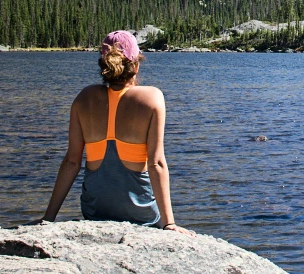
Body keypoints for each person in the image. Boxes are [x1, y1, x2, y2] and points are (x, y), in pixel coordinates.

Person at [35, 30, 193, 235]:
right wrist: (169, 224)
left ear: (104, 65)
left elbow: (71, 162)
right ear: (136, 65)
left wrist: (48, 218)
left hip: (94, 212)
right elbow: (156, 164)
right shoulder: (152, 98)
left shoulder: (84, 98)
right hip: (141, 215)